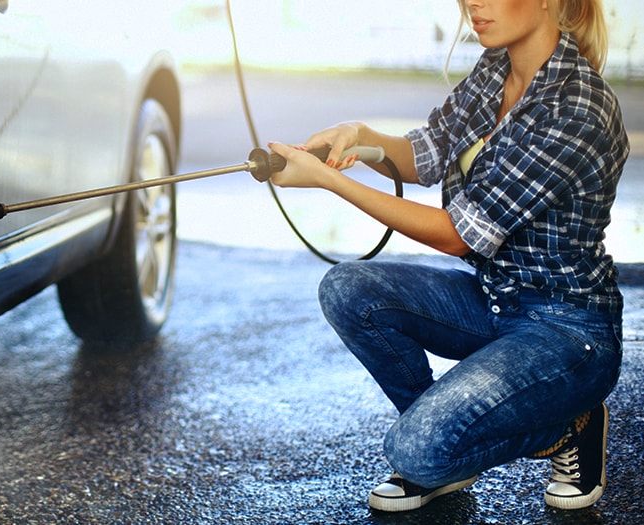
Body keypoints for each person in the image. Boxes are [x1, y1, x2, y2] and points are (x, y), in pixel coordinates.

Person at [267, 0, 629, 513]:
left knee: (413, 449)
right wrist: (359, 136)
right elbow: (429, 152)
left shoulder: (577, 107)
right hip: (494, 301)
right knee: (347, 289)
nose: (472, 5)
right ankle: (441, 452)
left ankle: (573, 426)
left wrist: (330, 181)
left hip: (567, 329)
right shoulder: (494, 68)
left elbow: (456, 237)